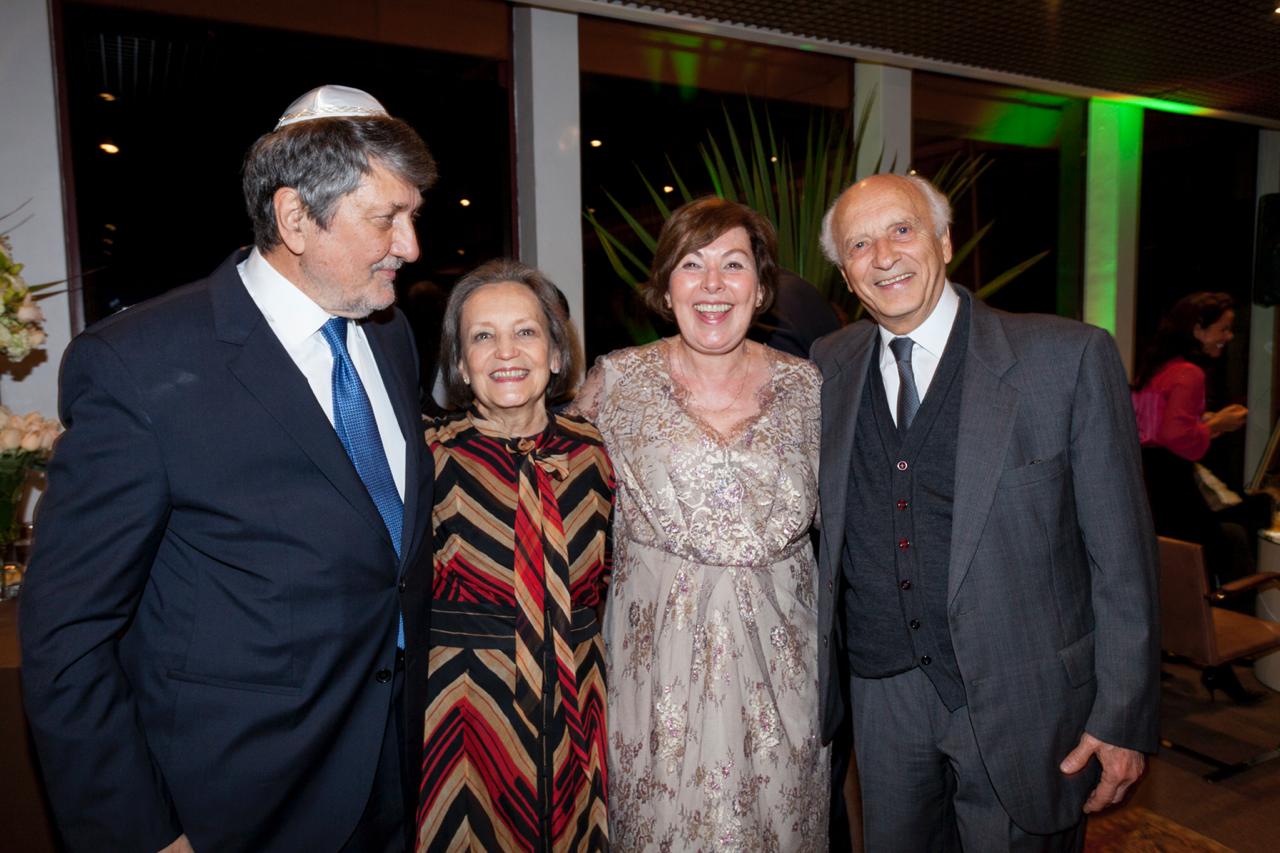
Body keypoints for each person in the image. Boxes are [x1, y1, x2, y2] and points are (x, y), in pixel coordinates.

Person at [20, 85, 437, 852]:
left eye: (413, 216)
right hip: (233, 807)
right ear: (295, 218)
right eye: (387, 218)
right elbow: (66, 635)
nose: (410, 246)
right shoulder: (139, 364)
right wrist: (141, 834)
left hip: (388, 778)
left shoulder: (390, 336)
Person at [811, 173, 1159, 850]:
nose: (884, 256)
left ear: (944, 241)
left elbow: (1122, 557)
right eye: (859, 244)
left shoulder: (1065, 359)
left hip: (1026, 695)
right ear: (846, 275)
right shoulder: (829, 364)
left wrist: (1123, 715)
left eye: (902, 230)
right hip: (883, 700)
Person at [571, 197, 829, 851]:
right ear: (665, 288)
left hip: (781, 678)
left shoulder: (812, 389)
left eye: (733, 264)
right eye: (692, 264)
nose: (713, 284)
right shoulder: (614, 383)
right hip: (654, 680)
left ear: (761, 288)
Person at [416, 259, 613, 851]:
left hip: (577, 705)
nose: (506, 352)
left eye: (525, 332)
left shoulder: (595, 454)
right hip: (466, 713)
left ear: (555, 354)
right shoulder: (426, 459)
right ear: (460, 363)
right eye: (483, 336)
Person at [1132, 291, 1268, 702]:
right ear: (1197, 329)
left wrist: (1203, 421)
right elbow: (1178, 438)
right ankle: (1218, 664)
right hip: (1174, 482)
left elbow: (1155, 427)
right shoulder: (1190, 373)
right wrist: (1219, 425)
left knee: (1167, 569)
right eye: (1223, 328)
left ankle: (1161, 656)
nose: (1228, 337)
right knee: (1200, 571)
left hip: (1149, 478)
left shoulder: (1160, 367)